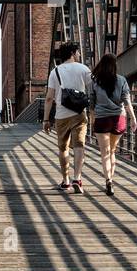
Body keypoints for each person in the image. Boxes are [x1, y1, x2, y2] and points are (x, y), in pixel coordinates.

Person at [43, 42, 91, 193]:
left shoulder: (55, 72)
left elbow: (49, 98)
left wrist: (45, 119)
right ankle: (77, 178)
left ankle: (66, 181)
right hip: (79, 113)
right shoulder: (84, 69)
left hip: (61, 115)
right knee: (79, 145)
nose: (79, 55)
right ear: (72, 52)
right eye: (77, 52)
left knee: (63, 148)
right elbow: (93, 91)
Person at [89, 53, 136, 196]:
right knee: (112, 151)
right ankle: (111, 180)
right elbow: (127, 101)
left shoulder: (95, 82)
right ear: (114, 65)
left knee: (105, 153)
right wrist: (133, 118)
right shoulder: (121, 80)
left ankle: (108, 180)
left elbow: (91, 104)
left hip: (102, 119)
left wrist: (92, 120)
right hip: (118, 118)